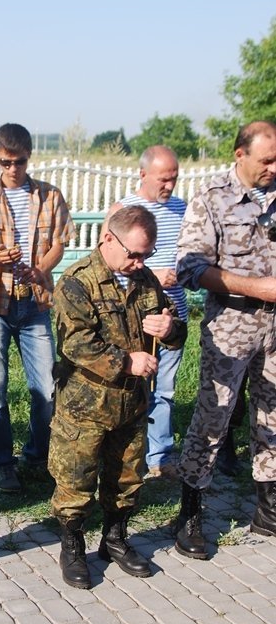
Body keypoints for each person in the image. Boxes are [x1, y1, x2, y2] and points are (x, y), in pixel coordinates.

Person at [49, 206, 187, 588]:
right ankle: (72, 544)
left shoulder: (144, 281)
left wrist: (170, 327)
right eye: (134, 254)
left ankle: (114, 539)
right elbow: (76, 342)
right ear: (108, 238)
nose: (140, 263)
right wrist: (127, 361)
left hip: (131, 405)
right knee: (75, 480)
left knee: (127, 478)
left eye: (147, 255)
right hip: (85, 407)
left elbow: (175, 329)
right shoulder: (77, 283)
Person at [175, 120, 276, 559]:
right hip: (231, 329)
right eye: (266, 159)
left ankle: (268, 507)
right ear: (240, 155)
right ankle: (190, 513)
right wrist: (255, 288)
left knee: (272, 417)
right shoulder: (212, 198)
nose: (274, 167)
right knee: (213, 420)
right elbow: (190, 268)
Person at [0, 123, 75, 493]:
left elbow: (61, 242)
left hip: (34, 304)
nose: (12, 168)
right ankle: (2, 463)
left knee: (47, 389)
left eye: (19, 161)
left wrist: (40, 268)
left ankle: (36, 455)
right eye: (5, 162)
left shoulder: (49, 196)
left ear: (30, 157)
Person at [107, 146, 187, 479]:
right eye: (163, 179)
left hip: (171, 316)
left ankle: (160, 455)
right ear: (143, 174)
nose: (169, 185)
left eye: (174, 178)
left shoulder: (183, 209)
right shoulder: (124, 210)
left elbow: (193, 253)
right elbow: (109, 264)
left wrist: (182, 272)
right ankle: (123, 454)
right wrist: (154, 273)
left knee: (164, 390)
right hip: (133, 318)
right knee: (130, 388)